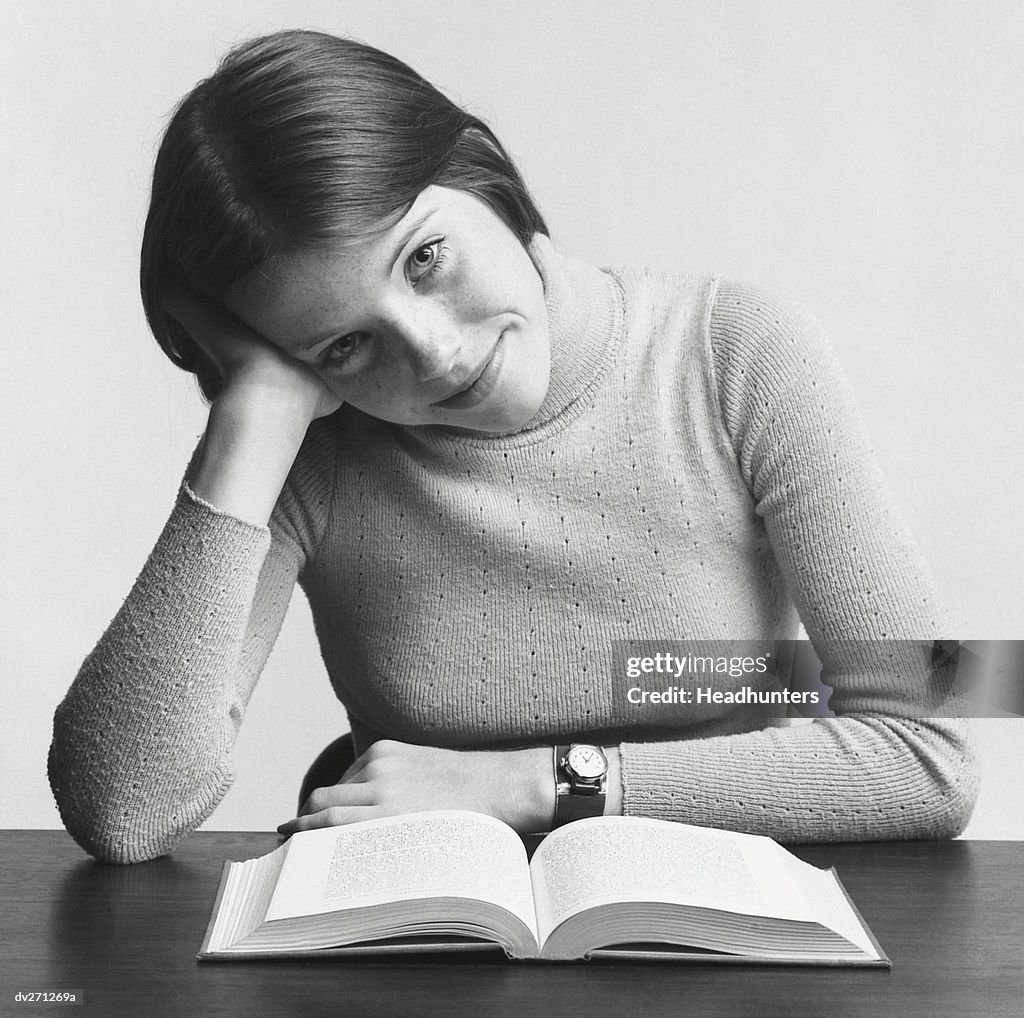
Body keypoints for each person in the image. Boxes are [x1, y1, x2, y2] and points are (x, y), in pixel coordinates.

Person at [48, 29, 977, 865]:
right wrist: (245, 439)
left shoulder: (734, 351)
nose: (436, 352)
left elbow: (929, 750)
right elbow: (122, 809)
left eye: (424, 259)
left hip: (726, 931)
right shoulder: (315, 449)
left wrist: (541, 784)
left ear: (477, 167)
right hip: (431, 939)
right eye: (344, 344)